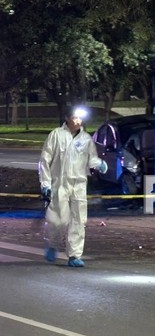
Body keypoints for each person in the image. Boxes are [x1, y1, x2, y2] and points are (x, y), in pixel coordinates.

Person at [38, 106, 108, 267]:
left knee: (78, 219)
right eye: (75, 118)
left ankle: (74, 255)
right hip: (59, 184)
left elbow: (91, 159)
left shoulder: (86, 139)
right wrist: (46, 183)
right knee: (57, 219)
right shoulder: (56, 135)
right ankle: (53, 244)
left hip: (79, 185)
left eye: (80, 118)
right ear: (67, 118)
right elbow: (45, 161)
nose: (78, 121)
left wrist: (100, 164)